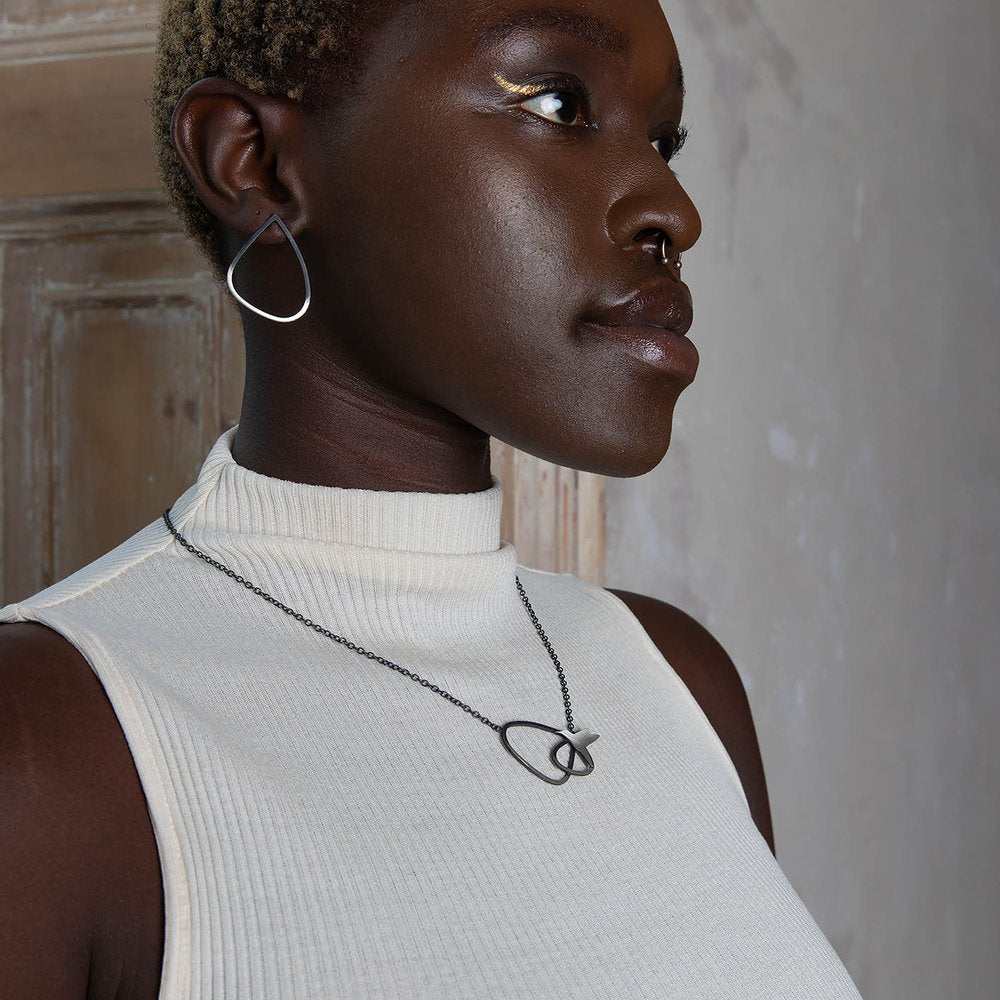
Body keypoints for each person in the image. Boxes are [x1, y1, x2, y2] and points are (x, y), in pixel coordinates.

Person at [0, 1, 864, 997]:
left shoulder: (676, 681)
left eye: (662, 139)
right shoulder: (52, 754)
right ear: (255, 163)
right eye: (557, 100)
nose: (672, 210)